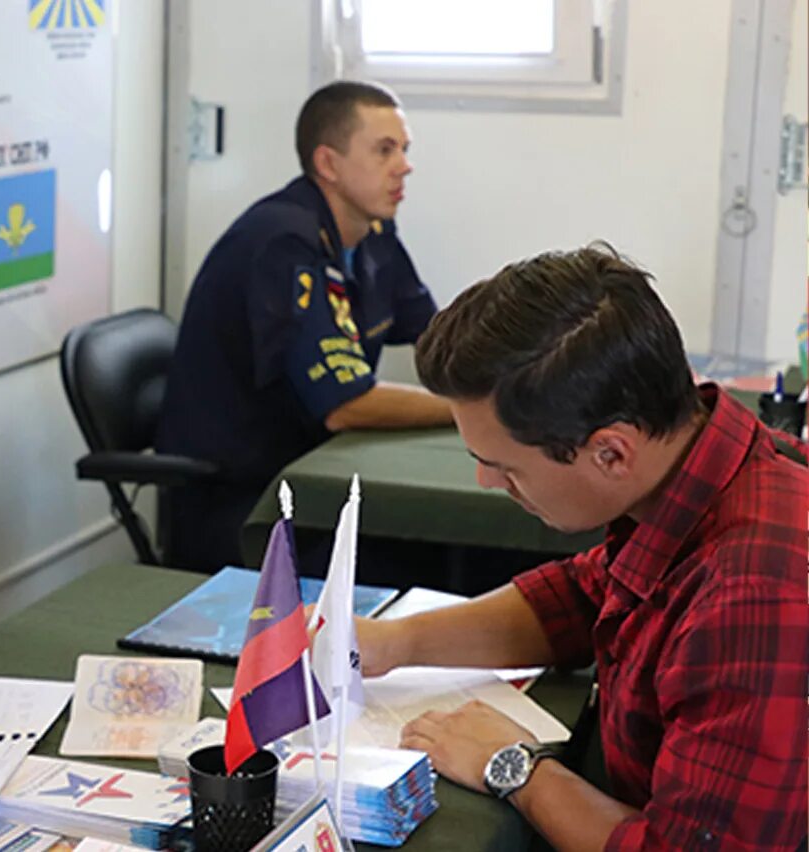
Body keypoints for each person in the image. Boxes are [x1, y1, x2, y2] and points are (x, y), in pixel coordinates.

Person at [357, 244, 807, 850]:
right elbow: (585, 594)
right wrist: (394, 642)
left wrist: (512, 767)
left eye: (505, 467)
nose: (487, 483)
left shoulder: (752, 593)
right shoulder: (699, 475)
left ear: (611, 452)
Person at [155, 80, 452, 570]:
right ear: (328, 164)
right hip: (250, 503)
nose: (405, 165)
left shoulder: (373, 232)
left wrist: (520, 370)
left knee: (444, 543)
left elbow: (440, 338)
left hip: (318, 477)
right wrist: (472, 408)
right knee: (430, 555)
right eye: (384, 150)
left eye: (404, 149)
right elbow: (345, 405)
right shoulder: (282, 244)